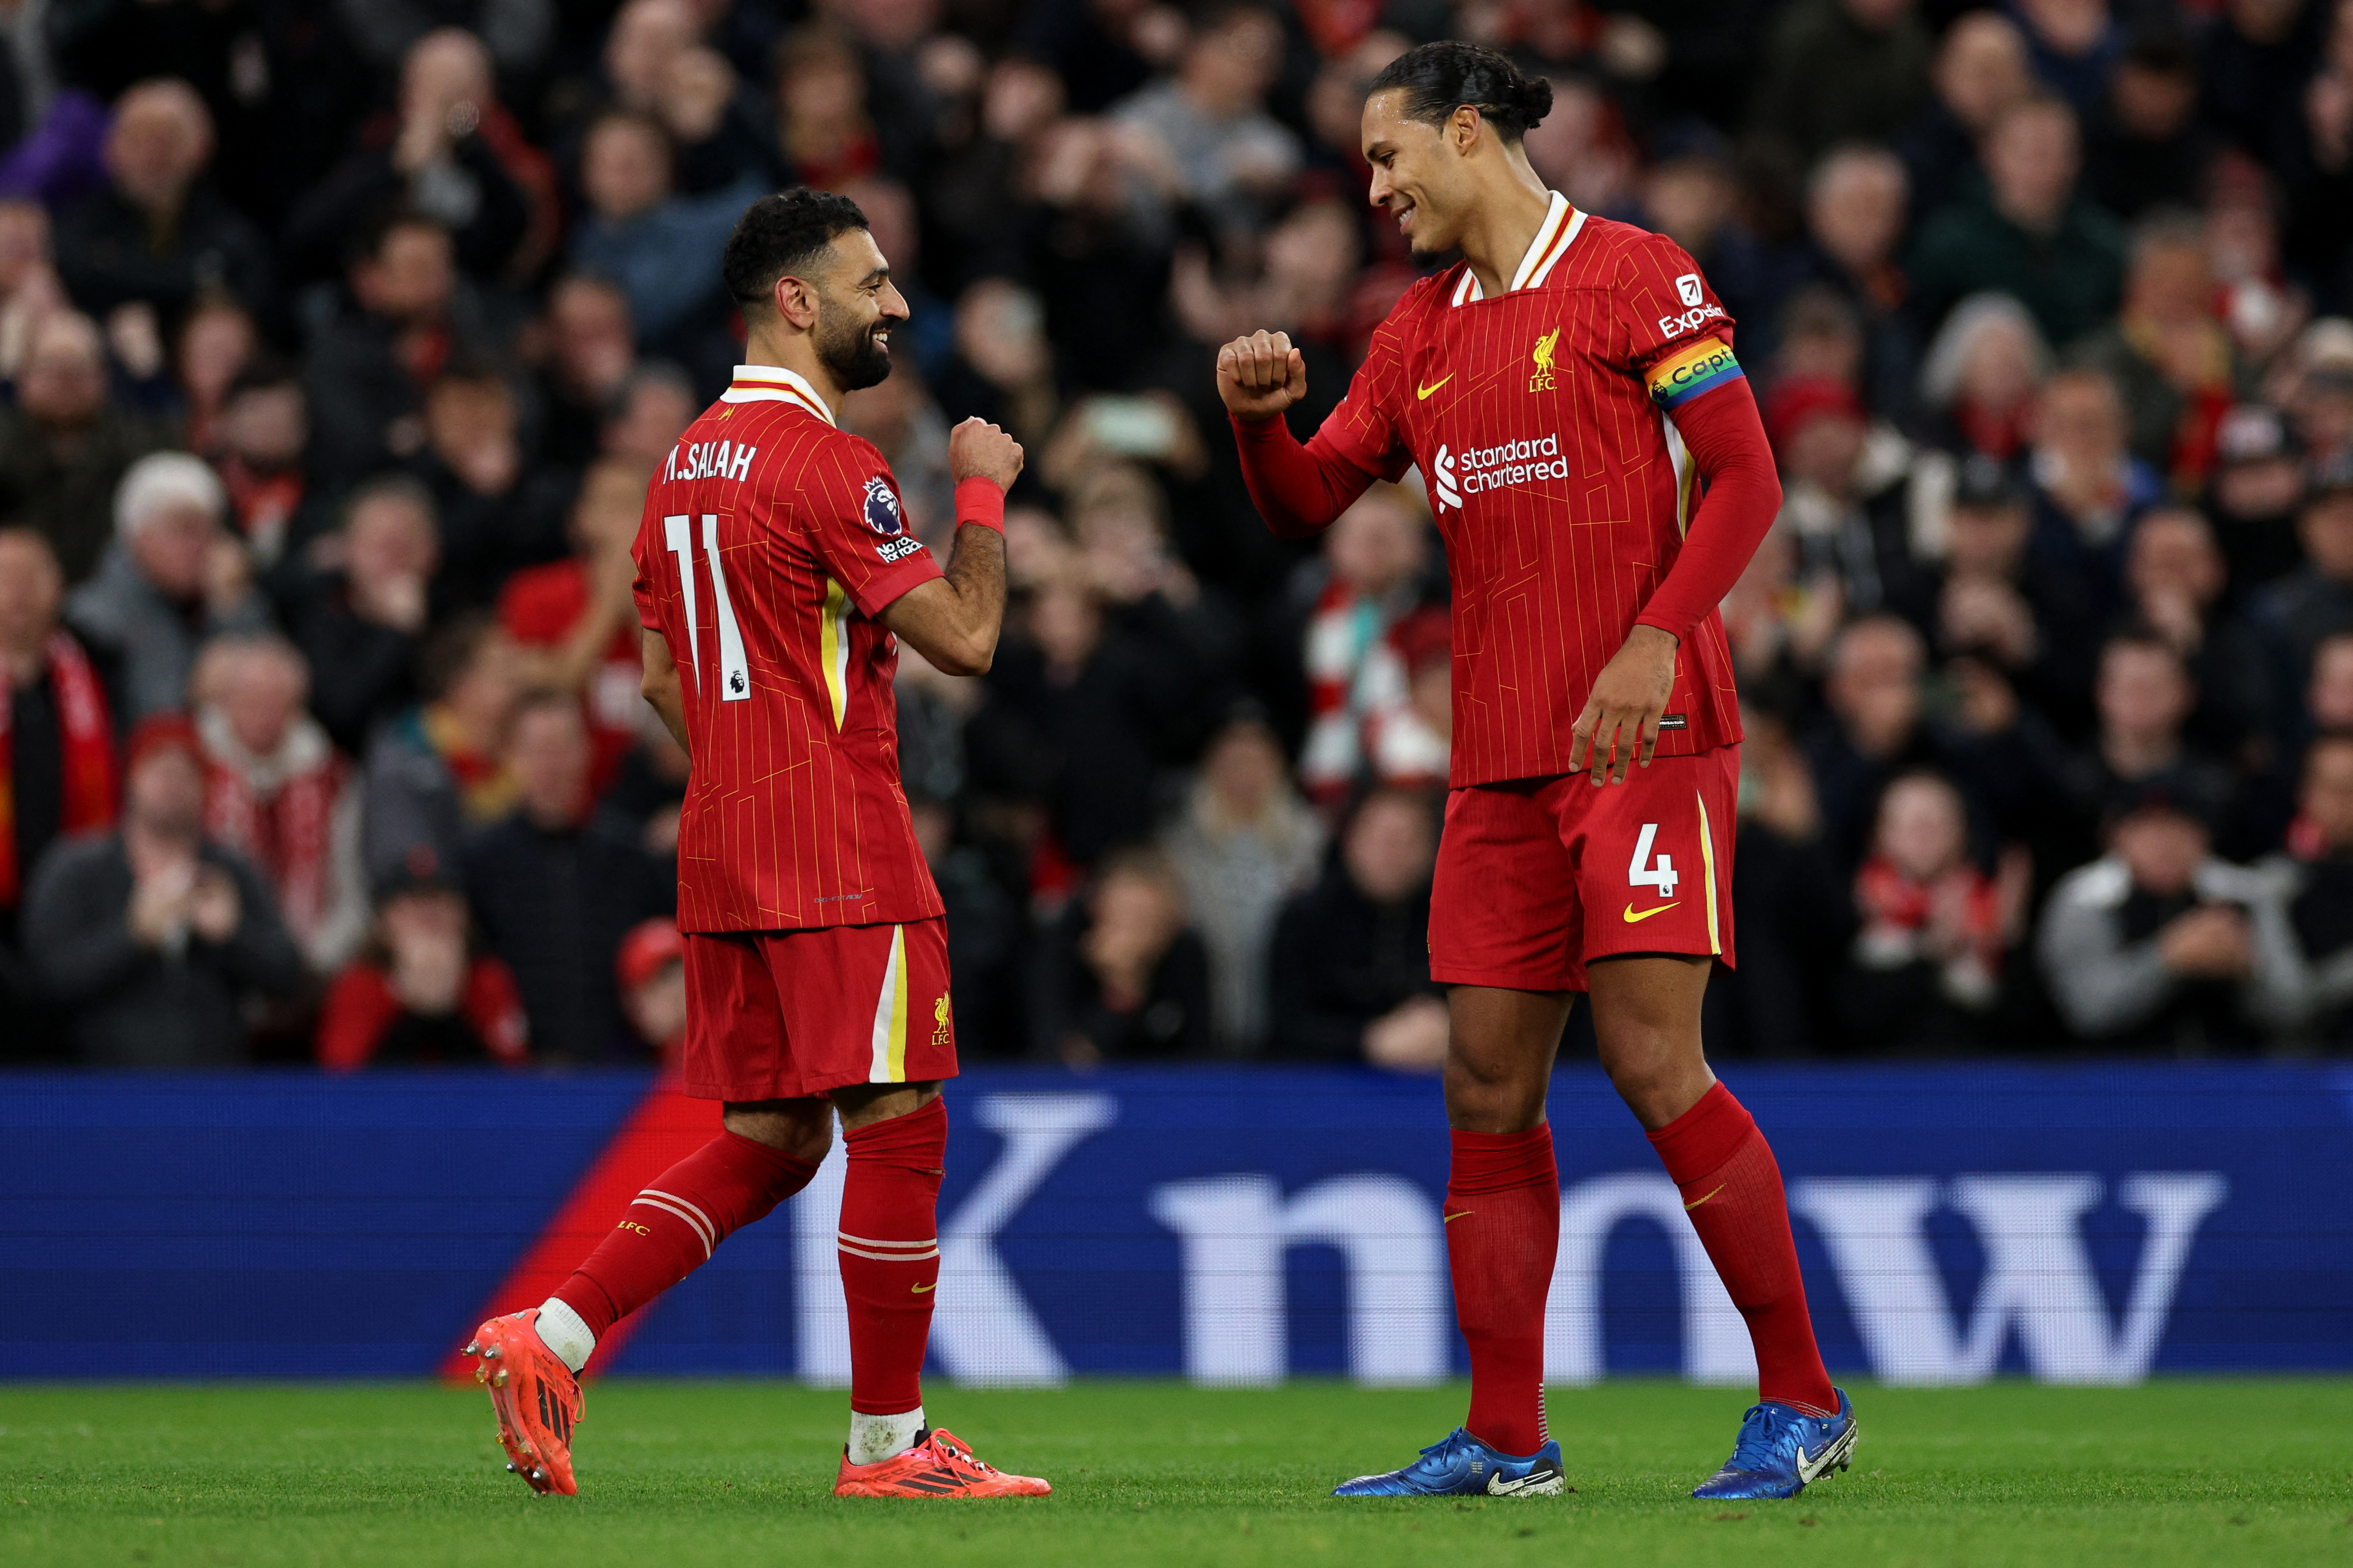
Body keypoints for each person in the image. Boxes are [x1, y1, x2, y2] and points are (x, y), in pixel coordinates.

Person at [1216, 42, 1851, 1502]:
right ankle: (1506, 1433)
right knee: (1484, 1085)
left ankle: (1802, 1399)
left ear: (1461, 133)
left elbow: (1746, 476)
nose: (1374, 189)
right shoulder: (1412, 332)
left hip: (1642, 731)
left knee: (1646, 1057)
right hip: (1496, 761)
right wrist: (1257, 422)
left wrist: (1651, 641)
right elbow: (1308, 499)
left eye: (1386, 157)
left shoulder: (1635, 274)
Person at [463, 188, 1048, 1501]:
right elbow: (965, 639)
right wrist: (983, 492)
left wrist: (748, 759)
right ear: (797, 301)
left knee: (775, 1136)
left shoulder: (680, 466)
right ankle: (889, 1450)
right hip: (843, 843)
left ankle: (546, 1334)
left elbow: (663, 672)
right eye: (872, 281)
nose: (894, 302)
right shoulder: (834, 467)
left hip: (726, 847)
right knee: (899, 1123)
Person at [21, 712, 305, 1065]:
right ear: (131, 777)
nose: (172, 784)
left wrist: (233, 935)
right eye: (158, 768)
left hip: (214, 1094)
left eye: (187, 773)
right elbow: (41, 984)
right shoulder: (76, 868)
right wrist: (132, 935)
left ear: (206, 787)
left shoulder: (231, 871)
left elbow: (288, 976)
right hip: (94, 1093)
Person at [66, 451, 273, 729]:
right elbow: (150, 716)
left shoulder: (224, 596)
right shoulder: (95, 617)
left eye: (211, 530)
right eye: (184, 530)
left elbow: (273, 695)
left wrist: (234, 608)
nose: (203, 545)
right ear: (136, 536)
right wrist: (197, 690)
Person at [1266, 786, 1446, 1066]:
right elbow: (1285, 1028)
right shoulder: (1305, 919)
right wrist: (1371, 1040)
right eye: (1383, 840)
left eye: (1409, 841)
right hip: (1326, 1090)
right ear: (1351, 840)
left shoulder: (1450, 921)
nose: (1394, 855)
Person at [314, 865, 529, 1070]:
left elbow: (513, 1081)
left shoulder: (487, 980)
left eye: (441, 902)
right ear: (383, 926)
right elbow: (342, 1083)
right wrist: (412, 1006)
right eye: (412, 903)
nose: (429, 918)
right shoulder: (361, 985)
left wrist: (448, 1009)